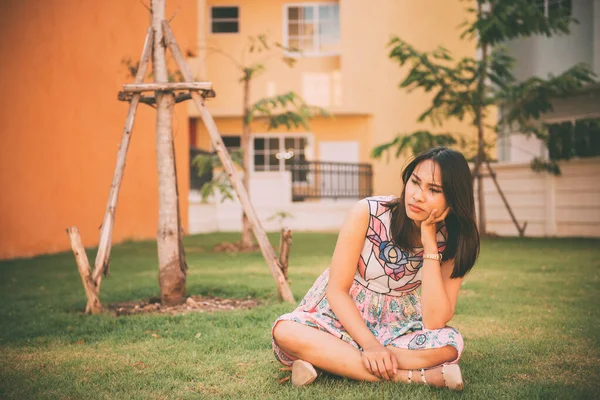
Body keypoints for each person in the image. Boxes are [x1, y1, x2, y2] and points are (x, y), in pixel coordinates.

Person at [271, 147, 479, 390]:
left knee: (448, 347)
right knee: (285, 331)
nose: (417, 195)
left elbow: (434, 320)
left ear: (453, 199)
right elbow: (337, 290)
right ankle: (417, 377)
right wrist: (370, 346)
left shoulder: (455, 240)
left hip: (397, 326)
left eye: (433, 190)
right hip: (340, 316)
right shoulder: (369, 212)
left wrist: (430, 244)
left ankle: (331, 360)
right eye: (415, 182)